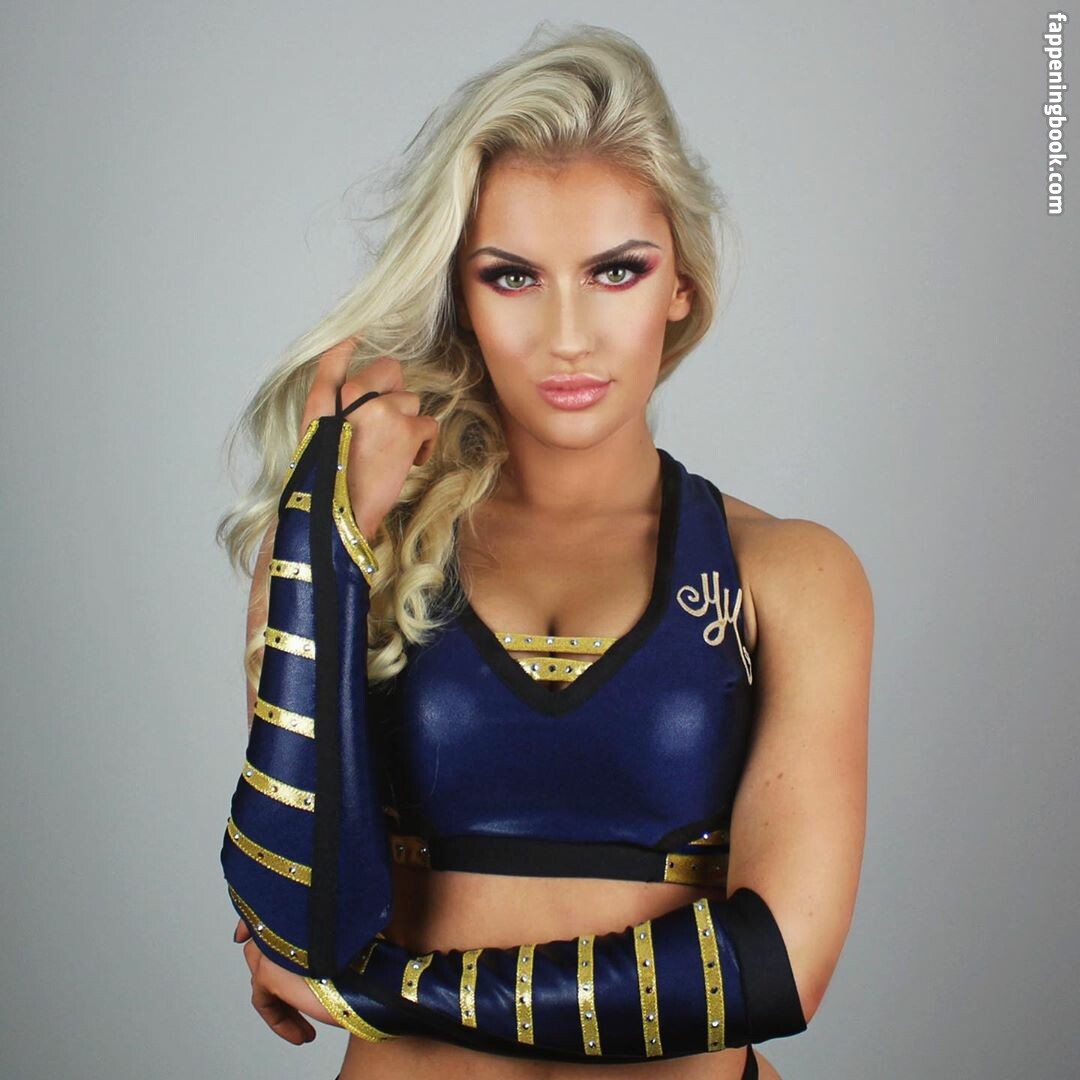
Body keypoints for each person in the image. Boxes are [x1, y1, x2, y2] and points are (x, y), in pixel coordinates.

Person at [217, 23, 872, 1080]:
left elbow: (776, 967)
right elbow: (297, 923)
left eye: (615, 271)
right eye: (513, 277)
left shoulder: (790, 574)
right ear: (461, 296)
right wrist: (324, 536)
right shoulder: (359, 549)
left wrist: (385, 993)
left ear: (680, 284)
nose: (568, 334)